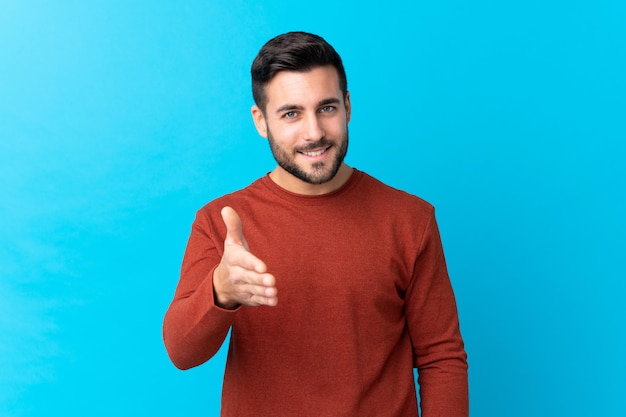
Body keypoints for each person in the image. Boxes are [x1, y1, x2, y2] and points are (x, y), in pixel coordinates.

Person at [163, 31, 468, 416]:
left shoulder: (410, 219)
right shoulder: (222, 222)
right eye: (291, 113)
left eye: (326, 108)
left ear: (348, 106)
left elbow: (442, 356)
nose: (314, 133)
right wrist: (220, 290)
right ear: (261, 121)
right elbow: (181, 351)